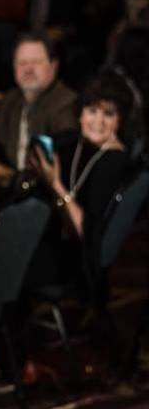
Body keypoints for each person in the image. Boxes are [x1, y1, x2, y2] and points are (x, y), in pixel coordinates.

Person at [27, 71, 133, 293]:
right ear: (80, 114)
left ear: (119, 119)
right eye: (92, 111)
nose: (98, 122)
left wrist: (55, 184)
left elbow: (86, 233)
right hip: (54, 238)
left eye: (108, 114)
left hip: (76, 259)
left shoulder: (113, 163)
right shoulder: (75, 142)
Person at [0, 32, 78, 194]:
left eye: (36, 62)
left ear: (53, 65)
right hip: (9, 191)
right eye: (22, 63)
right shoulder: (10, 101)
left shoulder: (67, 104)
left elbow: (58, 159)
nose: (28, 69)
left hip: (46, 196)